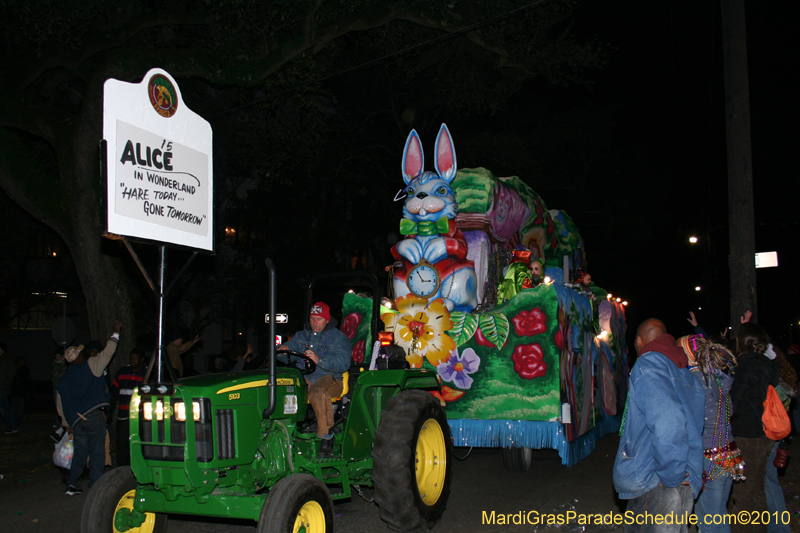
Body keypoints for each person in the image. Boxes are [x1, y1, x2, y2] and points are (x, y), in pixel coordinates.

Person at [613, 319, 705, 532]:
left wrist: (671, 474)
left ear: (638, 340)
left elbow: (668, 421)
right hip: (685, 474)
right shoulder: (685, 370)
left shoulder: (649, 364)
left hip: (657, 479)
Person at [676, 335, 742, 533]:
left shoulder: (693, 381)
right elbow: (729, 412)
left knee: (708, 521)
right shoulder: (719, 377)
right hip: (728, 452)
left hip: (708, 457)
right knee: (718, 515)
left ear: (688, 354)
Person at [278, 302, 351, 458]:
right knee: (282, 389)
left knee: (318, 392)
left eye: (318, 319)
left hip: (330, 378)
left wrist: (319, 360)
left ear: (326, 320)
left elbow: (344, 363)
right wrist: (283, 350)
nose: (314, 322)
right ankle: (285, 433)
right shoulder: (301, 336)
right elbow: (288, 348)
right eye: (312, 319)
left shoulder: (338, 338)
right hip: (305, 378)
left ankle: (326, 436)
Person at [57, 321, 121, 496]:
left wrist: (66, 423)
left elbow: (60, 403)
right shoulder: (90, 365)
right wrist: (115, 335)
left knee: (80, 453)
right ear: (78, 357)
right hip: (92, 416)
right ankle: (95, 484)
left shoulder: (63, 380)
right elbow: (108, 353)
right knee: (97, 452)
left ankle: (72, 484)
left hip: (76, 421)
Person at [728, 322, 780, 533]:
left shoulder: (744, 367)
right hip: (765, 433)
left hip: (746, 436)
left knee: (741, 493)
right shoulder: (768, 364)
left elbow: (734, 403)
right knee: (758, 489)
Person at [110, 347, 147, 466]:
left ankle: (138, 466)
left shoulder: (147, 374)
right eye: (131, 359)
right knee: (122, 443)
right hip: (123, 416)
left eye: (135, 359)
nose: (133, 361)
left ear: (142, 360)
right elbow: (114, 393)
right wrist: (110, 411)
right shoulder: (122, 372)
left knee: (138, 442)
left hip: (139, 416)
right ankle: (122, 467)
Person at [0, 342, 18, 434]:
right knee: (4, 408)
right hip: (2, 388)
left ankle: (13, 427)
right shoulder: (3, 359)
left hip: (2, 388)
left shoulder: (7, 360)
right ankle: (12, 426)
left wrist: (4, 383)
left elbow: (9, 375)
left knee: (4, 409)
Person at [10, 356, 33, 427]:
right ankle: (15, 421)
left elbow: (28, 380)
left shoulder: (25, 369)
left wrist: (30, 391)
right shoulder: (14, 369)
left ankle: (19, 421)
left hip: (22, 391)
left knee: (20, 407)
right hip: (14, 391)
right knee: (14, 408)